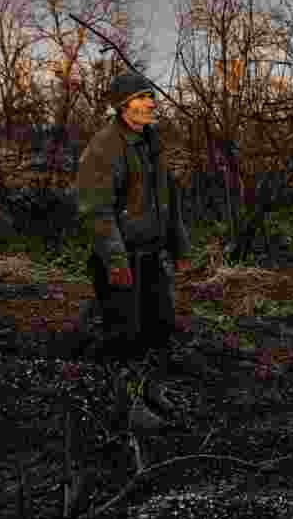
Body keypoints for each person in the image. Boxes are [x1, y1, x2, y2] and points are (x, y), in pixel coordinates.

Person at [75, 71, 211, 420]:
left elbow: (170, 203)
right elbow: (97, 212)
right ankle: (124, 409)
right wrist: (117, 262)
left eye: (151, 97)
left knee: (159, 330)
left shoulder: (153, 143)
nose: (151, 103)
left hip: (153, 257)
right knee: (124, 336)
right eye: (142, 97)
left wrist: (180, 249)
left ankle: (152, 394)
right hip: (121, 259)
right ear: (123, 106)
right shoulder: (103, 148)